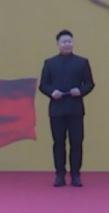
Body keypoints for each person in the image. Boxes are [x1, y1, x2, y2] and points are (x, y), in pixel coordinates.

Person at [39, 30, 95, 187]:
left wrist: (80, 91)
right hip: (57, 110)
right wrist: (52, 92)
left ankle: (76, 175)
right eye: (64, 42)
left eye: (69, 41)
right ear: (58, 44)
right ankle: (59, 175)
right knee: (58, 143)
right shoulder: (49, 63)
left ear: (73, 43)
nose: (67, 44)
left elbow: (89, 84)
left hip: (75, 109)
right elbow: (43, 85)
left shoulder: (82, 62)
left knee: (76, 143)